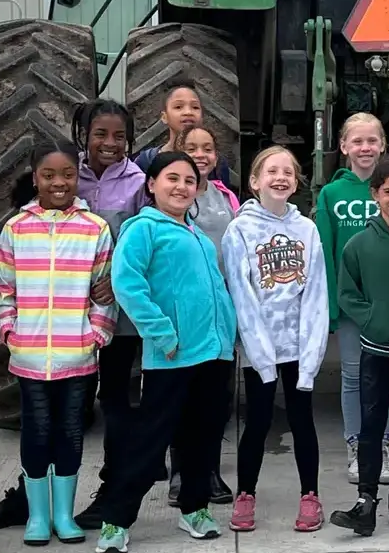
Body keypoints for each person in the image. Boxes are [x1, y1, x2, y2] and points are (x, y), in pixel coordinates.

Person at [0, 99, 150, 532]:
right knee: (43, 419)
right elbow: (7, 283)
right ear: (82, 136)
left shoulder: (140, 182)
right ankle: (31, 502)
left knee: (110, 406)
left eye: (119, 135)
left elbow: (153, 228)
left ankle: (110, 492)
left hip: (105, 321)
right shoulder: (62, 177)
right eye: (99, 134)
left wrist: (103, 316)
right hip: (46, 328)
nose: (109, 143)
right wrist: (10, 331)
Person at [96, 152, 237, 552]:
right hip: (172, 355)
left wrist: (227, 334)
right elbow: (127, 284)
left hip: (213, 354)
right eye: (171, 178)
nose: (181, 187)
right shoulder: (144, 228)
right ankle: (116, 520)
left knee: (204, 437)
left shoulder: (194, 232)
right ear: (152, 184)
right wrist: (163, 334)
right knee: (150, 441)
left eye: (189, 181)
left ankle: (194, 509)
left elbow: (214, 289)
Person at [0, 141, 117, 545]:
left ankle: (64, 515)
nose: (59, 183)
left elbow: (105, 294)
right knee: (36, 430)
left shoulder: (94, 228)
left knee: (69, 432)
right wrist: (10, 332)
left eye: (67, 174)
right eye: (49, 175)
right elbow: (4, 290)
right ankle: (37, 516)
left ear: (77, 178)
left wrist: (97, 334)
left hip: (77, 355)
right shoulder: (15, 229)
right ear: (35, 179)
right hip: (29, 356)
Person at [222, 146, 330, 533]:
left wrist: (310, 350)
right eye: (272, 171)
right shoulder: (241, 230)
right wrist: (260, 352)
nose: (280, 177)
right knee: (258, 420)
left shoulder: (307, 230)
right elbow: (241, 292)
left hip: (298, 345)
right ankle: (246, 493)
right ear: (255, 181)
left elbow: (316, 291)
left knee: (303, 420)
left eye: (288, 171)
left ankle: (310, 495)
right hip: (259, 346)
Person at [329, 155, 389, 537]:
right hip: (374, 351)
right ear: (375, 194)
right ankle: (365, 500)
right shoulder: (358, 244)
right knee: (371, 426)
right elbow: (347, 292)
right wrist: (373, 318)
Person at [315, 113, 389, 484]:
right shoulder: (331, 194)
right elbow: (325, 254)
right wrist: (332, 305)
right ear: (344, 146)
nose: (365, 148)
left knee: (387, 377)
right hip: (350, 306)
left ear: (382, 145)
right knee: (352, 376)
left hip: (388, 305)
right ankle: (356, 445)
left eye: (372, 140)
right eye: (357, 141)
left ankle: (384, 444)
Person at [168, 124, 240, 508]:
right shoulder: (175, 196)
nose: (201, 154)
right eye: (192, 147)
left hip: (220, 313)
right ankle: (180, 472)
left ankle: (209, 471)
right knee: (183, 397)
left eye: (208, 148)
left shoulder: (227, 198)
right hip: (186, 313)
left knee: (217, 400)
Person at [133, 82, 232, 186]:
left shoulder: (213, 162)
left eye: (195, 107)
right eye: (178, 107)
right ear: (164, 117)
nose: (188, 112)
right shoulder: (147, 161)